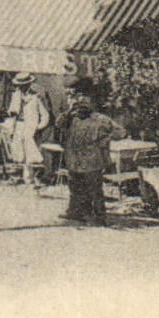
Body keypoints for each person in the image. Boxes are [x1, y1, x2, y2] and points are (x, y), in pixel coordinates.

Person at [58, 91, 125, 226]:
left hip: (92, 159)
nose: (81, 108)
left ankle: (99, 217)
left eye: (84, 105)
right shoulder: (72, 119)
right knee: (75, 187)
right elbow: (59, 123)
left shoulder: (101, 119)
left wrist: (106, 139)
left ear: (91, 106)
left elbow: (120, 131)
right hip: (74, 159)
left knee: (94, 189)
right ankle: (77, 212)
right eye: (78, 105)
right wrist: (69, 111)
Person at [6, 72, 53, 187]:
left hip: (30, 126)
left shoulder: (36, 97)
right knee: (18, 150)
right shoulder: (15, 96)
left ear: (28, 84)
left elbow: (45, 115)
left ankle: (33, 178)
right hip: (19, 125)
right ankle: (18, 176)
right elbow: (12, 112)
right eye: (19, 86)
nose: (21, 88)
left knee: (31, 152)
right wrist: (12, 124)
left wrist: (39, 127)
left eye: (24, 85)